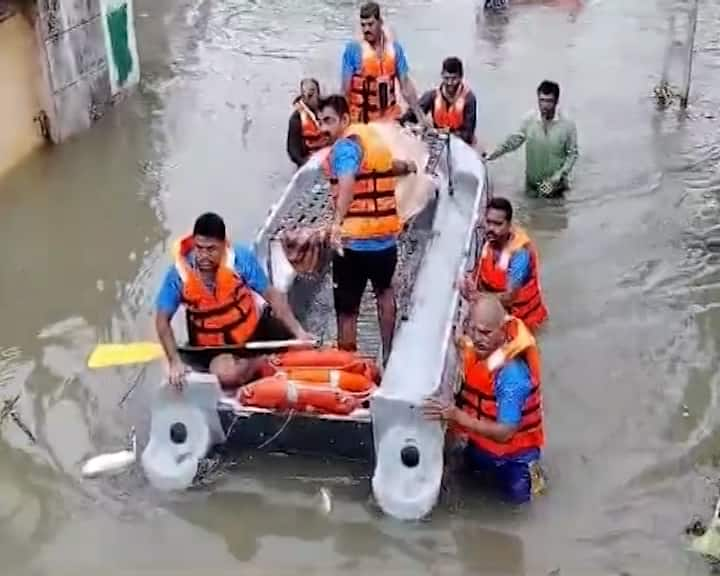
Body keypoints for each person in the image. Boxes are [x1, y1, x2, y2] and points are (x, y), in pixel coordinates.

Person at [155, 212, 312, 390]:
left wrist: (298, 332)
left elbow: (272, 295)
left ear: (223, 245)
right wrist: (174, 361)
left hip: (253, 330)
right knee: (227, 375)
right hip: (215, 348)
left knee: (302, 349)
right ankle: (262, 363)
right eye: (199, 248)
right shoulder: (177, 275)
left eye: (211, 249)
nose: (203, 256)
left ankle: (268, 362)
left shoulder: (240, 259)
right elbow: (162, 321)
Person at [317, 94, 417, 364]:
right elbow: (388, 168)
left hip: (354, 244)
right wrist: (409, 167)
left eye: (328, 121)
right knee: (385, 294)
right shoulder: (372, 139)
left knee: (347, 310)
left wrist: (337, 223)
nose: (323, 128)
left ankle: (347, 367)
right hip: (385, 241)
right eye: (319, 122)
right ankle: (388, 355)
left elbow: (347, 183)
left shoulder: (345, 148)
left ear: (345, 119)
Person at [423, 294, 545, 504]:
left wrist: (458, 417)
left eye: (486, 333)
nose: (478, 338)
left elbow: (505, 432)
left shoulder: (511, 376)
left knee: (518, 511)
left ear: (503, 332)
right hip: (480, 449)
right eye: (474, 330)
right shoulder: (477, 351)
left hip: (515, 462)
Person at [459, 197, 548, 333]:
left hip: (523, 323)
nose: (490, 228)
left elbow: (509, 297)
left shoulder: (520, 256)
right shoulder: (489, 240)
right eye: (488, 222)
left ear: (508, 225)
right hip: (496, 314)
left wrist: (476, 297)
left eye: (497, 224)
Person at [485, 80, 578, 197]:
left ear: (556, 101)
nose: (545, 105)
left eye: (549, 101)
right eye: (542, 100)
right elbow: (513, 142)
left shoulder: (567, 125)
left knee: (555, 213)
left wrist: (557, 177)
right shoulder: (529, 120)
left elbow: (572, 155)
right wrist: (491, 155)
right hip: (532, 184)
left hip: (556, 185)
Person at [341, 2, 428, 126]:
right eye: (363, 25)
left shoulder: (395, 49)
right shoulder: (353, 50)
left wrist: (420, 116)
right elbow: (345, 90)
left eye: (370, 24)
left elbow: (405, 85)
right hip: (361, 120)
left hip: (389, 117)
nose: (366, 29)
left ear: (380, 22)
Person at [399, 57, 477, 146]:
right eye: (446, 78)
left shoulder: (469, 99)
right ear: (442, 75)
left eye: (454, 79)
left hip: (461, 142)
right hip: (438, 139)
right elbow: (411, 116)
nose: (450, 83)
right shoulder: (432, 95)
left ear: (461, 77)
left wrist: (443, 134)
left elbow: (468, 133)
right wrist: (406, 124)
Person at [286, 78, 330, 168]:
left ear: (318, 93)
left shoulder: (329, 111)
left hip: (330, 162)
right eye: (305, 94)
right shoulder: (296, 118)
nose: (308, 97)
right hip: (309, 164)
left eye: (311, 93)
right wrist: (306, 164)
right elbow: (293, 150)